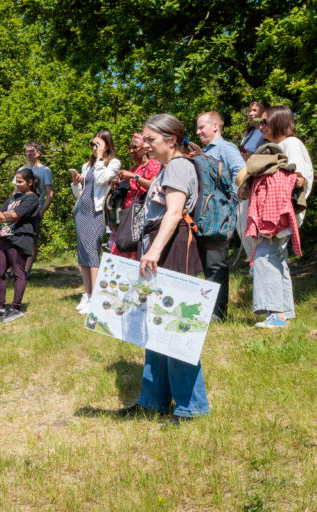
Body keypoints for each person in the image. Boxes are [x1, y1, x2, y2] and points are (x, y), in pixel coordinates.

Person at [119, 114, 209, 423]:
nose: (146, 145)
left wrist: (154, 252)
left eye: (151, 140)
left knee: (176, 328)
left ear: (171, 140)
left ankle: (191, 408)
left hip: (172, 249)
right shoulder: (171, 167)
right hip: (161, 248)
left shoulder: (180, 166)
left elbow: (173, 213)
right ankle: (152, 401)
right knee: (155, 329)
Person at [245, 106, 313, 328]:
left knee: (266, 259)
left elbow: (298, 178)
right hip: (276, 213)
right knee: (277, 259)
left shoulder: (291, 144)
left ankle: (275, 314)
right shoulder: (279, 145)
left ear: (279, 122)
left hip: (278, 214)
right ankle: (283, 313)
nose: (260, 126)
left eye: (265, 122)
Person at [195, 111, 245, 320]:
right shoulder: (203, 150)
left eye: (201, 127)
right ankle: (206, 310)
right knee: (205, 263)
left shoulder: (226, 148)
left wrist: (230, 200)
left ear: (215, 126)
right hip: (201, 216)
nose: (198, 132)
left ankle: (218, 313)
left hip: (217, 215)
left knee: (216, 263)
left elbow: (241, 172)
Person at [71, 130, 121, 315]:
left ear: (107, 145)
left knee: (93, 252)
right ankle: (87, 294)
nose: (94, 148)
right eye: (92, 145)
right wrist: (76, 183)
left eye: (98, 145)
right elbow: (79, 193)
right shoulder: (87, 166)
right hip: (81, 212)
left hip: (97, 213)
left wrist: (100, 159)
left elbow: (101, 180)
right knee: (83, 254)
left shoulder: (113, 163)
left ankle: (97, 296)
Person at [0, 167, 40, 323]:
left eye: (20, 181)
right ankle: (0, 309)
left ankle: (16, 308)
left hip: (20, 238)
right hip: (6, 238)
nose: (17, 184)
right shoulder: (14, 198)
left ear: (30, 182)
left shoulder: (32, 199)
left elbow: (15, 215)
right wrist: (9, 217)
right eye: (17, 181)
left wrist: (10, 216)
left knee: (18, 273)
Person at [111, 133, 162, 259]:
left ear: (145, 149)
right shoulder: (135, 167)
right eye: (129, 147)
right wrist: (117, 185)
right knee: (119, 252)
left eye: (134, 147)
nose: (131, 151)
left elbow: (153, 187)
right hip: (128, 217)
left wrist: (134, 177)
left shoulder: (153, 164)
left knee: (135, 253)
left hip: (140, 218)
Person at [13, 142, 54, 276]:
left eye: (31, 151)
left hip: (35, 210)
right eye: (26, 151)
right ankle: (12, 270)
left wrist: (42, 211)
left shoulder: (45, 170)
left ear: (38, 153)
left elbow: (50, 194)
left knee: (31, 241)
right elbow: (15, 191)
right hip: (20, 209)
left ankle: (26, 271)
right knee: (15, 238)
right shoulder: (21, 170)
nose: (28, 154)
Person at [237, 101, 268, 259]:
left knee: (253, 226)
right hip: (245, 181)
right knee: (241, 226)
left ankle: (260, 263)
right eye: (250, 110)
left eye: (255, 110)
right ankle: (253, 261)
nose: (250, 113)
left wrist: (252, 156)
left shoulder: (267, 134)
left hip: (259, 185)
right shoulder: (248, 133)